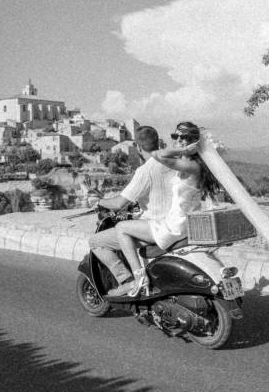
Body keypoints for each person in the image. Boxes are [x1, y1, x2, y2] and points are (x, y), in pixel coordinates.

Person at [111, 121, 221, 297]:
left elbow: (157, 154)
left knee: (121, 228)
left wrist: (184, 150)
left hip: (175, 225)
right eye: (175, 136)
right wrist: (186, 150)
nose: (178, 140)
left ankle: (139, 278)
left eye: (183, 137)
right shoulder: (191, 163)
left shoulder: (191, 165)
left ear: (193, 141)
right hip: (185, 223)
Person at [91, 126, 175, 295]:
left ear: (138, 147)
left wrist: (99, 201)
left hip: (155, 228)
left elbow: (119, 203)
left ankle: (129, 281)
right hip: (174, 223)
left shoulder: (145, 170)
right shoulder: (172, 164)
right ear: (158, 143)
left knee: (95, 242)